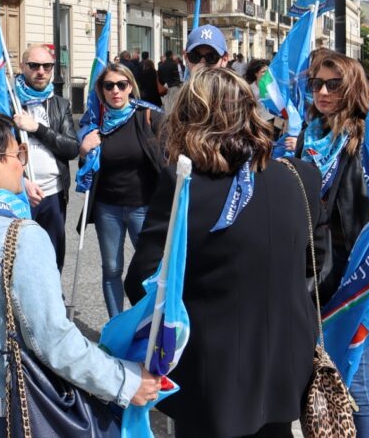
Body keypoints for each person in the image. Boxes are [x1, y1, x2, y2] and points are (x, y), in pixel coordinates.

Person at [0, 109, 160, 435]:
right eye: (16, 153)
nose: (22, 163)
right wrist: (125, 382)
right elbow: (54, 340)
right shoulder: (20, 235)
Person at [126, 66, 322, 438]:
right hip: (285, 360)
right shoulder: (302, 176)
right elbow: (315, 262)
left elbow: (143, 281)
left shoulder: (181, 185)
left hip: (211, 372)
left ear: (188, 120)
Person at [294, 51, 369, 437]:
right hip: (311, 274)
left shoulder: (367, 139)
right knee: (321, 374)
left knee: (355, 379)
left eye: (333, 84)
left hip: (354, 278)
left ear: (353, 86)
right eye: (317, 85)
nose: (323, 92)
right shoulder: (306, 137)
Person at [78, 65, 165, 318]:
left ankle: (146, 324)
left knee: (149, 269)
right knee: (112, 269)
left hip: (144, 206)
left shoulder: (148, 116)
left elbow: (171, 149)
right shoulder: (94, 123)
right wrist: (84, 150)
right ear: (101, 91)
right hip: (108, 208)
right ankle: (116, 326)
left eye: (121, 84)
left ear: (130, 87)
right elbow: (86, 167)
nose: (115, 90)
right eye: (109, 86)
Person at [11, 45, 79, 269]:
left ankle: (51, 299)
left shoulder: (60, 104)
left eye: (47, 66)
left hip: (53, 194)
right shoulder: (9, 102)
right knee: (19, 257)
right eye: (34, 66)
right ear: (23, 67)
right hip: (20, 193)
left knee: (52, 255)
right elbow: (0, 153)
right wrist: (22, 182)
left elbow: (71, 148)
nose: (41, 71)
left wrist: (37, 128)